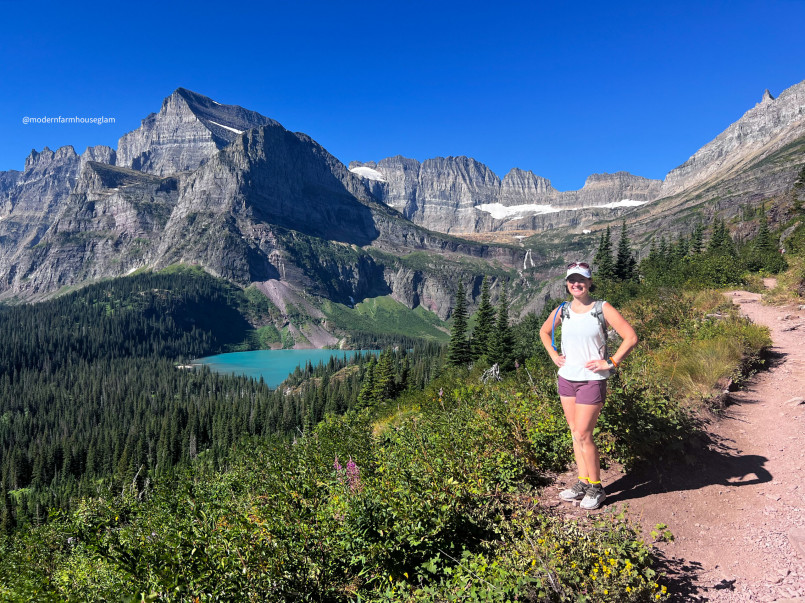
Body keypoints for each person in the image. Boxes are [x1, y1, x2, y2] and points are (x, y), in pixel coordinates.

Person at [538, 261, 638, 510]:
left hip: (592, 380)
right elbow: (543, 332)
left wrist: (611, 362)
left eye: (581, 280)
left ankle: (596, 488)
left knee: (584, 433)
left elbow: (631, 337)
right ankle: (582, 482)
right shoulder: (563, 309)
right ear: (567, 284)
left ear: (590, 282)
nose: (576, 284)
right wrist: (554, 356)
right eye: (572, 280)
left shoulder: (602, 308)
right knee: (574, 432)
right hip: (567, 378)